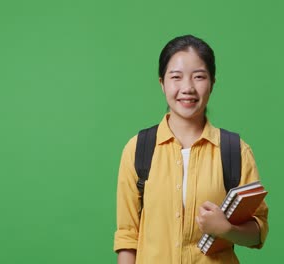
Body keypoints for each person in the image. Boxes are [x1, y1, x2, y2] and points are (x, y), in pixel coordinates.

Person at [114, 35, 269, 263]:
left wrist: (225, 229)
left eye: (199, 77)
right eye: (176, 77)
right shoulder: (138, 148)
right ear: (162, 83)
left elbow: (258, 232)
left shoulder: (235, 151)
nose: (187, 88)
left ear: (212, 83)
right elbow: (128, 237)